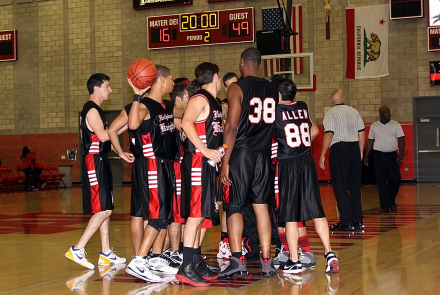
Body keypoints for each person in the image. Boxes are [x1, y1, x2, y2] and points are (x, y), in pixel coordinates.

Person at [219, 47, 278, 278]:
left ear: (242, 62)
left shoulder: (237, 87)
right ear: (260, 63)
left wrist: (225, 160)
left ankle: (236, 260)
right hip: (263, 154)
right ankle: (266, 260)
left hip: (242, 153)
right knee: (261, 206)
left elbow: (231, 126)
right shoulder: (272, 89)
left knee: (234, 205)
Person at [123, 65, 183, 282]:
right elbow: (132, 124)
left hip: (165, 164)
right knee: (157, 214)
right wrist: (137, 95)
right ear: (160, 80)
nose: (173, 83)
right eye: (171, 78)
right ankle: (139, 261)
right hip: (151, 164)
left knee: (165, 215)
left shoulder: (165, 106)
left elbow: (184, 112)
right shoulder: (145, 105)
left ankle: (156, 258)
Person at [273, 78, 339, 274]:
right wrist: (301, 143)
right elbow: (316, 130)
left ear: (277, 95)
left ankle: (294, 260)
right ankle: (329, 254)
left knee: (290, 215)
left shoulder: (275, 111)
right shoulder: (302, 106)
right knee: (317, 210)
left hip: (288, 163)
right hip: (307, 161)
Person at [65, 73, 126, 269]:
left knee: (105, 208)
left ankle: (106, 252)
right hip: (94, 162)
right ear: (97, 88)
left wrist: (124, 131)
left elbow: (109, 135)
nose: (110, 90)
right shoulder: (91, 110)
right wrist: (123, 124)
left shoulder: (97, 111)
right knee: (104, 209)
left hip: (101, 159)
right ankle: (78, 249)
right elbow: (102, 135)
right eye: (107, 86)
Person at [176, 62, 224, 286]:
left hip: (206, 164)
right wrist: (204, 149)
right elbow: (186, 123)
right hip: (196, 161)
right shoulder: (199, 99)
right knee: (195, 215)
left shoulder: (213, 101)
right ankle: (185, 267)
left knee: (202, 214)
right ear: (216, 76)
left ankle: (195, 260)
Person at [319, 89, 365, 231]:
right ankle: (357, 220)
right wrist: (360, 151)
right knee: (355, 186)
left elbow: (329, 134)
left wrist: (322, 154)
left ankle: (346, 221)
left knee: (340, 187)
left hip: (340, 149)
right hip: (354, 148)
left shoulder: (331, 113)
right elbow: (362, 132)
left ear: (331, 100)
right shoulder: (354, 111)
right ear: (343, 98)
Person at [363, 106, 405, 213]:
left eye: (389, 112)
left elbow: (401, 140)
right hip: (378, 156)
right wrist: (366, 156)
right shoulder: (374, 126)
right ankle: (384, 206)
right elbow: (370, 142)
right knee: (381, 182)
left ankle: (391, 199)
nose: (388, 114)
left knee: (396, 180)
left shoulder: (396, 125)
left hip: (391, 155)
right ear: (380, 114)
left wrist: (400, 155)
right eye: (385, 112)